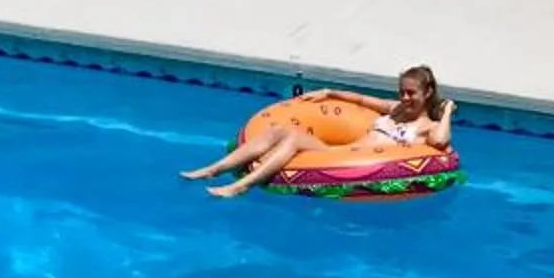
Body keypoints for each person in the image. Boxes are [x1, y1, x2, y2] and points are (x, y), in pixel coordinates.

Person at [182, 66, 454, 200]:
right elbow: (359, 100)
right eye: (402, 91)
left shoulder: (427, 128)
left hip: (355, 163)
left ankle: (240, 186)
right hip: (337, 153)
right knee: (280, 130)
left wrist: (448, 111)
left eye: (411, 93)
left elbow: (441, 141)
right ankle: (214, 169)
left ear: (428, 93)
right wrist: (329, 92)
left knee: (292, 138)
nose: (405, 97)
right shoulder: (394, 109)